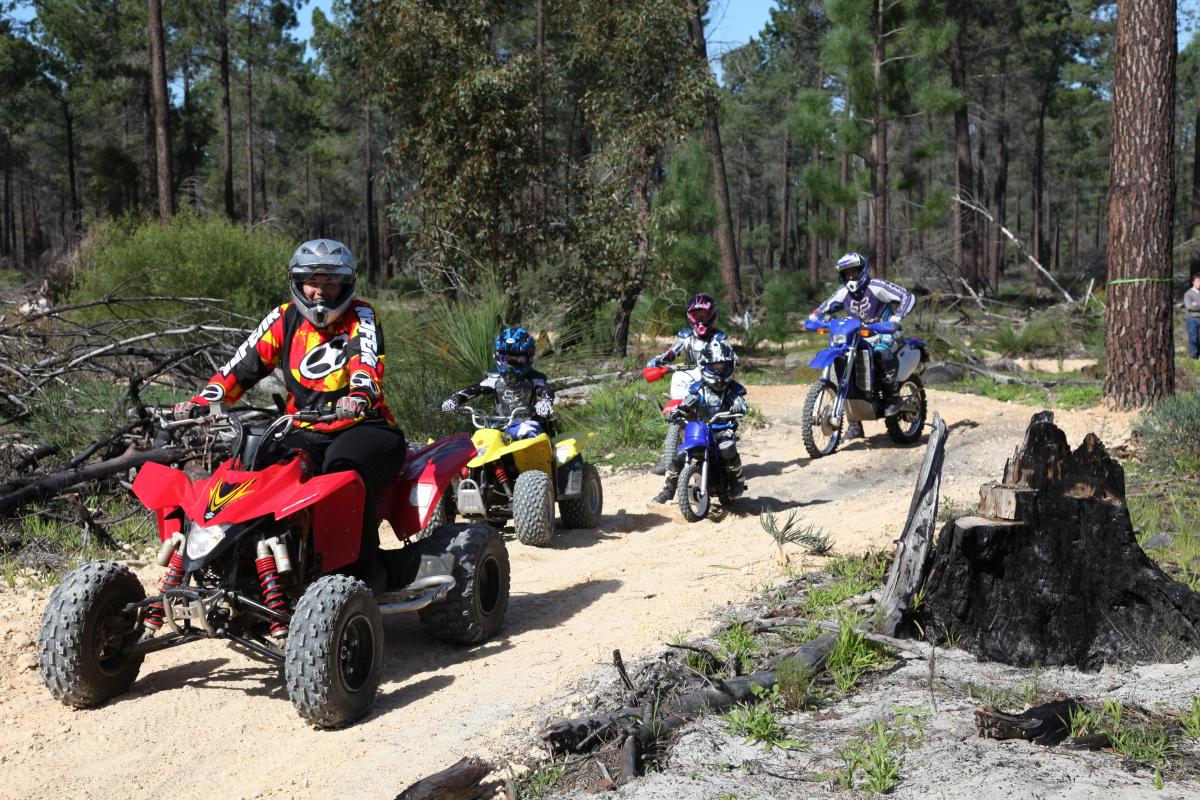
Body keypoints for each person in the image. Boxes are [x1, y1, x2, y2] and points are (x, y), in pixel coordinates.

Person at [173, 238, 407, 591]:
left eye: (331, 283)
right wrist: (204, 401)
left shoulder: (362, 316)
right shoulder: (284, 318)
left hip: (364, 425)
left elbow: (366, 361)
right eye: (313, 282)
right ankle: (253, 567)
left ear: (346, 285)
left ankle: (364, 569)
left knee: (341, 472)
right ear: (298, 283)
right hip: (302, 428)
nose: (320, 293)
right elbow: (242, 365)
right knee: (254, 468)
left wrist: (359, 394)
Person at [808, 252, 915, 435]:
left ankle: (893, 397)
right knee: (843, 365)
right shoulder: (843, 293)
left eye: (853, 272)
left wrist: (897, 316)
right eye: (846, 273)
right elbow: (823, 309)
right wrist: (815, 317)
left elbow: (908, 297)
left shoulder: (876, 287)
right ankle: (855, 425)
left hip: (884, 333)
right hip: (857, 337)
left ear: (862, 270)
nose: (850, 276)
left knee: (880, 354)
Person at [652, 338, 748, 504]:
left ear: (728, 366)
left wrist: (738, 408)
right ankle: (668, 490)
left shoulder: (732, 388)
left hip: (723, 428)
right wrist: (679, 410)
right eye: (714, 367)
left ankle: (736, 481)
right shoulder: (698, 388)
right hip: (701, 428)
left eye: (721, 366)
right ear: (705, 366)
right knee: (680, 453)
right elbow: (689, 401)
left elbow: (740, 402)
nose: (718, 371)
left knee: (727, 447)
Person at [441, 326, 555, 439]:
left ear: (529, 358)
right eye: (506, 358)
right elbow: (473, 389)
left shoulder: (535, 378)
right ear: (497, 356)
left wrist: (545, 401)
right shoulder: (494, 379)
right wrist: (455, 399)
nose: (511, 365)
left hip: (527, 422)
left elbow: (546, 390)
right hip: (498, 425)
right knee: (480, 441)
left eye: (518, 359)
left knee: (529, 435)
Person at [646, 292, 728, 369]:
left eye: (705, 315)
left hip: (715, 376)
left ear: (713, 315)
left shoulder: (719, 337)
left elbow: (731, 358)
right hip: (691, 375)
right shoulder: (686, 336)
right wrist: (658, 361)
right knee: (677, 377)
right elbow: (671, 353)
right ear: (690, 316)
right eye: (696, 315)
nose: (700, 319)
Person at [1186, 274, 1200, 360]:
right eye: (1198, 281)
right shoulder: (1188, 294)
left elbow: (1194, 306)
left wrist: (1196, 305)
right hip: (1192, 320)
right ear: (1193, 282)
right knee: (1193, 339)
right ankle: (1194, 357)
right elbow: (1190, 307)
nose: (1199, 283)